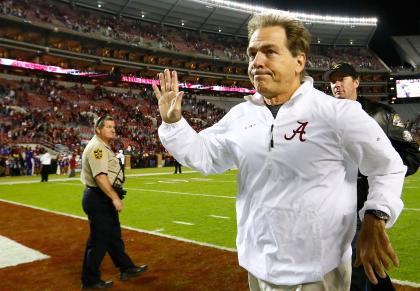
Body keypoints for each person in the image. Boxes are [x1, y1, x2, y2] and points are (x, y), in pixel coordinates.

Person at [153, 14, 407, 291]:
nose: (257, 62)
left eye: (270, 52)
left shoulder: (337, 113)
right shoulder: (240, 115)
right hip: (258, 265)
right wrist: (174, 123)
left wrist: (376, 215)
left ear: (299, 61)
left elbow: (387, 166)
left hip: (320, 272)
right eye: (252, 53)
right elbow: (205, 156)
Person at [324, 62, 420, 291]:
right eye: (333, 80)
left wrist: (377, 172)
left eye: (343, 78)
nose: (337, 84)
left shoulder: (381, 114)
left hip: (365, 204)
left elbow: (412, 156)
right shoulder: (323, 116)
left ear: (356, 82)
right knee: (357, 262)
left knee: (356, 263)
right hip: (330, 203)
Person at [80, 115, 147, 289]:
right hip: (99, 197)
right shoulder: (98, 148)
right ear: (98, 129)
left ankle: (126, 268)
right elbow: (100, 177)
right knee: (98, 241)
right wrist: (115, 197)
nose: (113, 129)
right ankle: (90, 281)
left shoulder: (103, 146)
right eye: (108, 126)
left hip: (102, 197)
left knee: (113, 238)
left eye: (113, 127)